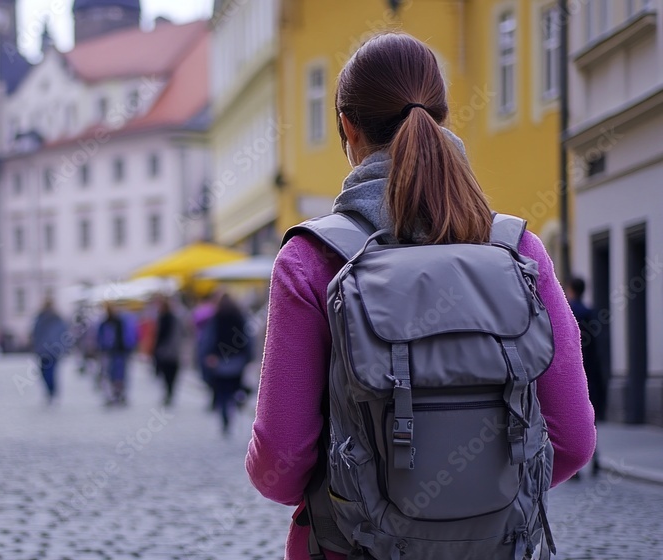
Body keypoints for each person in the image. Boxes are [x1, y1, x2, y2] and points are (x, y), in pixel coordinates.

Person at [246, 33, 596, 560]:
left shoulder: (311, 260)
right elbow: (572, 440)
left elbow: (280, 460)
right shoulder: (519, 250)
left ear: (347, 127)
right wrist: (475, 507)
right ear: (442, 116)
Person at [567, 276, 606, 475]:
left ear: (572, 289)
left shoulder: (568, 311)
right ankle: (596, 459)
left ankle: (577, 468)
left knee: (574, 417)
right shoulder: (591, 312)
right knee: (592, 417)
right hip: (591, 370)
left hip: (574, 371)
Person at [200, 294, 253, 436]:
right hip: (238, 360)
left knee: (222, 393)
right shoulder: (240, 317)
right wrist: (248, 357)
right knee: (235, 388)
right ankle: (238, 400)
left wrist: (207, 356)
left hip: (220, 361)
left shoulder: (215, 318)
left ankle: (225, 420)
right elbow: (248, 338)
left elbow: (208, 339)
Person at [31, 298, 69, 405]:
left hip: (50, 350)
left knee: (48, 372)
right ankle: (51, 390)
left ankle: (51, 391)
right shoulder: (42, 318)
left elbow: (62, 334)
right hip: (48, 349)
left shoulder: (52, 319)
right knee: (47, 372)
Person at [98, 302, 136, 406]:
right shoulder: (108, 323)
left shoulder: (119, 323)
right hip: (113, 352)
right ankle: (115, 394)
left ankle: (118, 394)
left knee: (118, 374)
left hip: (118, 352)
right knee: (114, 374)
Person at [152, 297, 182, 407]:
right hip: (172, 351)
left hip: (167, 351)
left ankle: (169, 393)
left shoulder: (167, 319)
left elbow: (160, 336)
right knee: (170, 374)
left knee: (168, 374)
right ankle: (169, 393)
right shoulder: (171, 318)